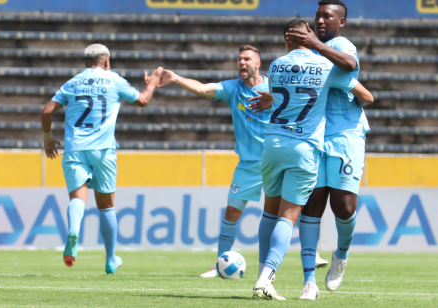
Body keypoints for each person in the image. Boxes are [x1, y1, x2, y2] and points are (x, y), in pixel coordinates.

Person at [155, 45, 324, 278]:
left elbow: (296, 101)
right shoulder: (232, 88)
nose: (241, 63)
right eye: (239, 59)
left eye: (247, 59)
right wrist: (175, 78)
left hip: (276, 158)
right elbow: (203, 89)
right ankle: (220, 263)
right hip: (249, 164)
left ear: (258, 63)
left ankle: (310, 252)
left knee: (294, 209)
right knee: (232, 212)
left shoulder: (273, 85)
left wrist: (273, 99)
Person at [251, 19, 366, 301]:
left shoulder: (276, 66)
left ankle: (262, 273)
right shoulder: (326, 67)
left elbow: (279, 95)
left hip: (273, 143)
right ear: (310, 37)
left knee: (270, 210)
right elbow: (365, 95)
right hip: (304, 147)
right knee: (289, 216)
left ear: (287, 41)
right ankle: (267, 276)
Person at [41, 43, 163, 274]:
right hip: (104, 150)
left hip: (75, 148)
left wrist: (47, 138)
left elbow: (47, 111)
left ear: (86, 63)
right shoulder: (115, 80)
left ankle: (74, 230)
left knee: (78, 198)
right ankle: (110, 259)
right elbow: (143, 100)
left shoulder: (73, 82)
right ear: (106, 61)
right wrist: (152, 85)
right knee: (106, 207)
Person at [285, 0, 372, 293]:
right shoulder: (308, 54)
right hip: (313, 136)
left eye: (328, 16)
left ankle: (342, 253)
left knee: (344, 207)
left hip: (346, 134)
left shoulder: (342, 45)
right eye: (318, 15)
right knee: (312, 205)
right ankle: (309, 281)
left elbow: (350, 66)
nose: (321, 20)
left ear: (341, 22)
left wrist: (315, 44)